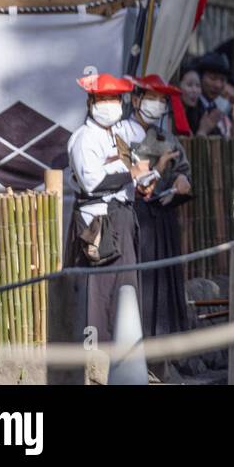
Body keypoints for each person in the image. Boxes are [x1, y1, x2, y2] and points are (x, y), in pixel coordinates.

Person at [65, 72, 151, 345]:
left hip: (122, 217)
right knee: (98, 291)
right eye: (103, 98)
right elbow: (91, 181)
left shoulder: (118, 136)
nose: (109, 103)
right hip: (97, 224)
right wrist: (130, 173)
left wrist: (142, 182)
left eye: (114, 98)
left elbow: (134, 168)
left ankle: (123, 355)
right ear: (91, 102)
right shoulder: (83, 138)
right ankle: (94, 358)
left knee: (123, 288)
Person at [126, 74, 193, 339]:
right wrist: (158, 168)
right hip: (134, 215)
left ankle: (164, 347)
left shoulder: (166, 136)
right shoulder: (122, 134)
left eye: (161, 100)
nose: (157, 105)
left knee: (164, 283)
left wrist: (182, 178)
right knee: (140, 282)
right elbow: (129, 176)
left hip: (163, 215)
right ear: (135, 99)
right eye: (150, 98)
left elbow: (183, 168)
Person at [192, 52, 233, 137]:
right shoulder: (191, 107)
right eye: (212, 78)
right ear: (200, 78)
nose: (218, 85)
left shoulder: (219, 109)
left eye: (222, 80)